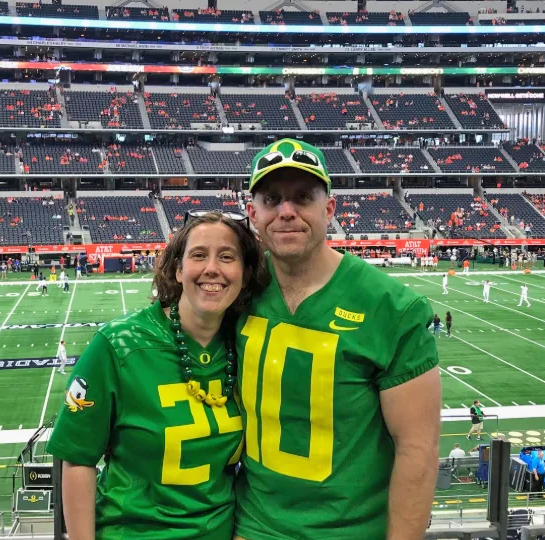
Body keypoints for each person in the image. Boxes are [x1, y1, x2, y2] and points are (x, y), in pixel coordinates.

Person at [236, 139, 441, 540]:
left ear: (329, 208)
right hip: (252, 526)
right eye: (272, 199)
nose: (287, 212)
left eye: (302, 197)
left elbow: (417, 451)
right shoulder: (236, 288)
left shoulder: (393, 307)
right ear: (252, 213)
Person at [47, 210, 268, 540]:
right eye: (198, 255)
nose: (212, 268)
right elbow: (78, 459)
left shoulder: (246, 345)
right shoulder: (118, 344)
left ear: (245, 273)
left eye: (226, 256)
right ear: (178, 269)